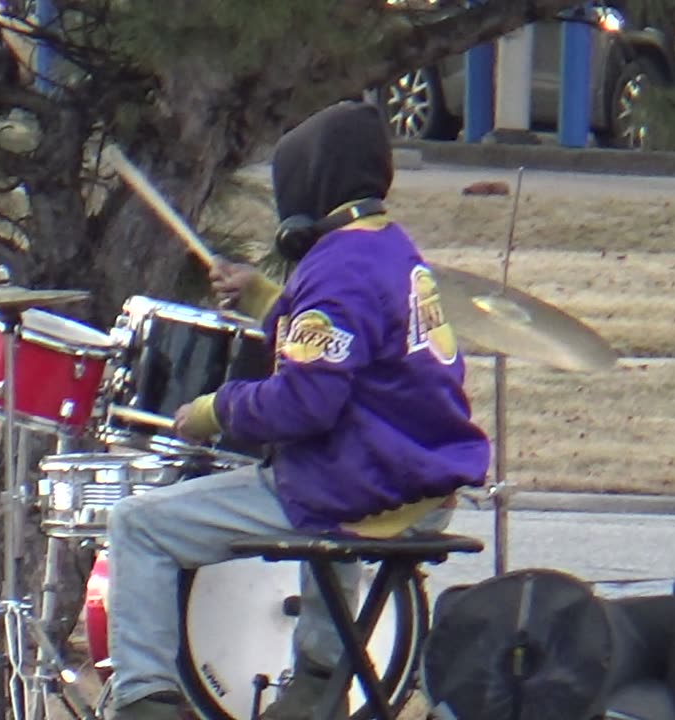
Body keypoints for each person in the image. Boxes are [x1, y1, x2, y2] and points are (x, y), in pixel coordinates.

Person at [103, 100, 491, 720]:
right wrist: (265, 298)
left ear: (310, 189)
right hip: (419, 479)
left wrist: (216, 409)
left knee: (139, 524)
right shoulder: (391, 250)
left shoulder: (334, 270)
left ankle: (145, 699)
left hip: (367, 483)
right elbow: (350, 345)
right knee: (317, 499)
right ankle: (319, 679)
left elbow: (306, 403)